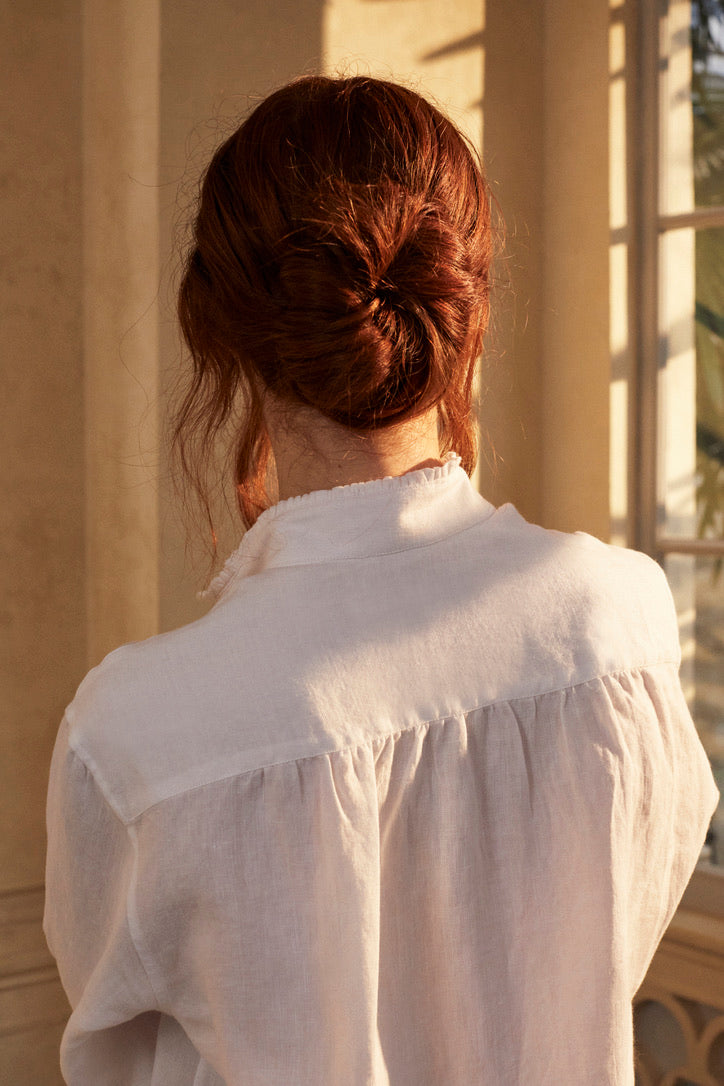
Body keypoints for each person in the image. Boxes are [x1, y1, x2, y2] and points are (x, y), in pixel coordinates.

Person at [44, 75, 719, 1085]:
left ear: (216, 323)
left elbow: (115, 1060)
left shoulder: (134, 730)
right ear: (465, 298)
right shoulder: (615, 619)